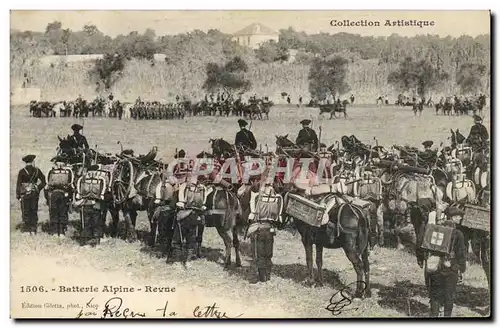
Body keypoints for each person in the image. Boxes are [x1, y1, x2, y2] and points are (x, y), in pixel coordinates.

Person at [424, 207, 467, 317]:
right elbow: (461, 253)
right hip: (451, 268)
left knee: (435, 295)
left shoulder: (435, 230)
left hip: (436, 267)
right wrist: (462, 268)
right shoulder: (458, 234)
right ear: (452, 217)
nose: (460, 218)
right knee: (449, 296)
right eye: (458, 216)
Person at [247, 180, 283, 282]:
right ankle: (265, 276)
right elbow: (279, 218)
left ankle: (265, 276)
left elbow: (251, 215)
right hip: (265, 229)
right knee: (265, 253)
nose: (269, 188)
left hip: (263, 229)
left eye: (269, 185)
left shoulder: (258, 197)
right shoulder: (277, 198)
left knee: (264, 254)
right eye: (268, 185)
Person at [16, 155, 46, 234]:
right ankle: (33, 229)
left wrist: (18, 195)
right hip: (34, 193)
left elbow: (18, 184)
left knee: (25, 211)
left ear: (25, 162)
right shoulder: (37, 170)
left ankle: (26, 230)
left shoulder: (22, 171)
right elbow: (44, 181)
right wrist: (38, 188)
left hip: (24, 194)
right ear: (32, 161)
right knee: (33, 210)